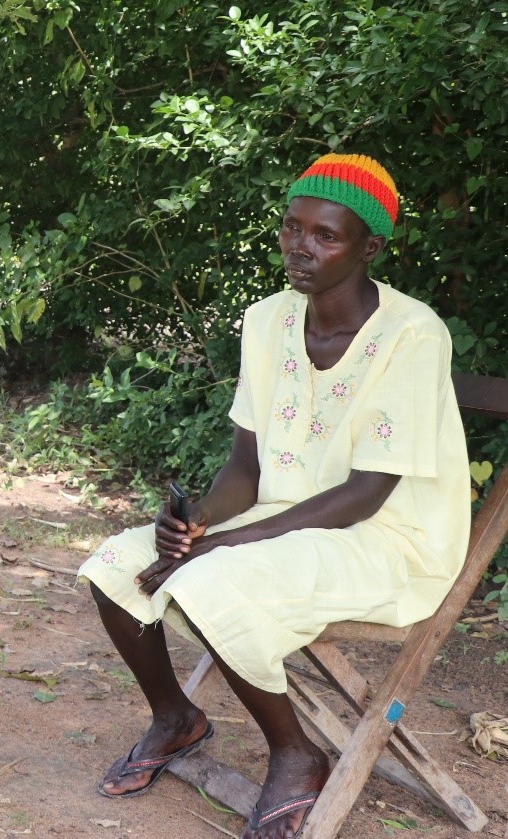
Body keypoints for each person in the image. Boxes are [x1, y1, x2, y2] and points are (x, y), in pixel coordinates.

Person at [78, 154, 469, 839]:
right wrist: (196, 522)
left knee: (214, 577)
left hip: (385, 539)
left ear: (369, 247)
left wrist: (221, 545)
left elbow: (364, 493)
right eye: (291, 228)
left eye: (325, 235)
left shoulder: (412, 333)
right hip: (276, 520)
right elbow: (244, 469)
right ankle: (175, 717)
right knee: (117, 562)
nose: (300, 246)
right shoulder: (265, 321)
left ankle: (296, 754)